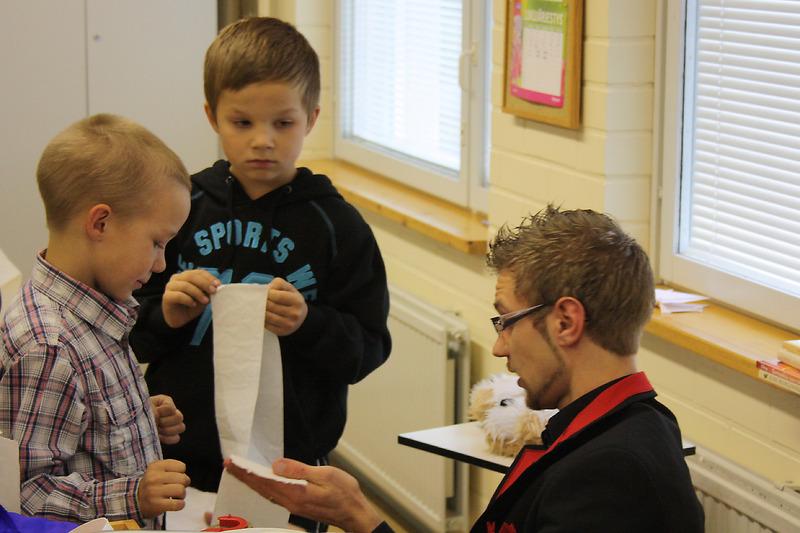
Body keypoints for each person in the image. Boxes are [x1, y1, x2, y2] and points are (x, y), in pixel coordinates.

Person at [224, 206, 705, 532]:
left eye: (506, 321)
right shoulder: (600, 430)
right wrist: (358, 516)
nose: (498, 347)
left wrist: (365, 522)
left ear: (565, 321)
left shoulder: (614, 475)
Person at [129, 16, 391, 531]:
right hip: (176, 456)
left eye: (283, 123)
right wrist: (166, 313)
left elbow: (367, 349)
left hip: (289, 468)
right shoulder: (179, 207)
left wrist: (307, 323)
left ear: (312, 118)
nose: (263, 141)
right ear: (212, 116)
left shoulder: (338, 227)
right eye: (243, 122)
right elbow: (126, 332)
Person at [0, 114, 192, 528]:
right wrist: (133, 496)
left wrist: (138, 418)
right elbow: (23, 494)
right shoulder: (48, 348)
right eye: (157, 242)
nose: (161, 264)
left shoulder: (97, 313)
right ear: (100, 223)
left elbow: (78, 427)